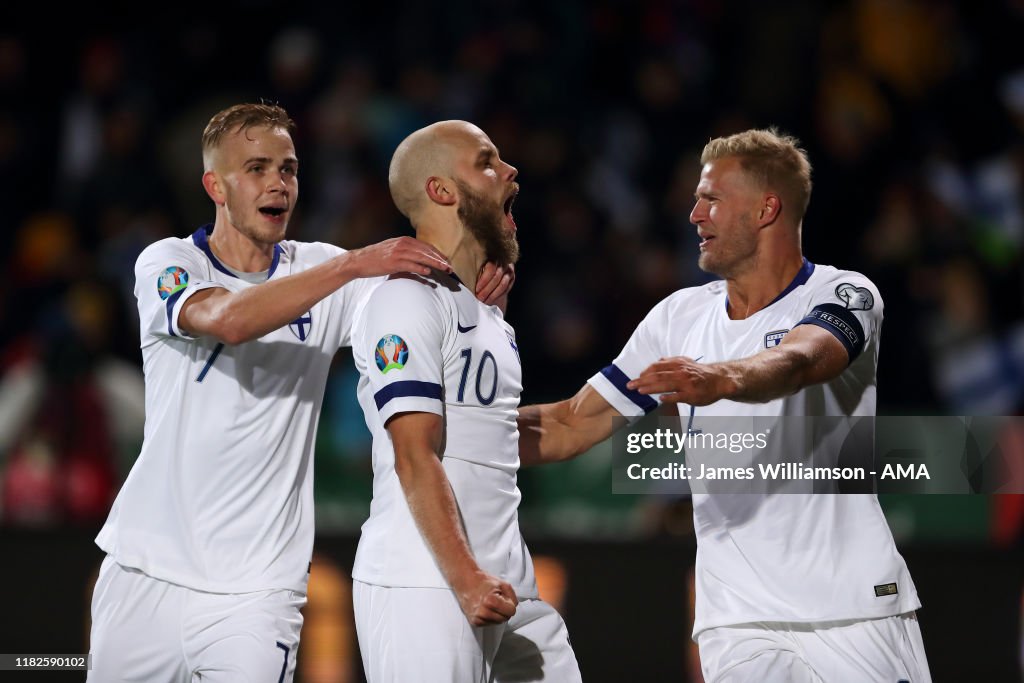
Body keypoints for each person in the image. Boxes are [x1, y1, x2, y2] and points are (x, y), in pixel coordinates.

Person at [86, 103, 511, 682]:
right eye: (256, 168)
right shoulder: (170, 262)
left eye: (287, 169)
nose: (277, 183)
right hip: (144, 573)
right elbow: (228, 318)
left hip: (257, 596)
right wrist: (355, 265)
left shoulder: (324, 270)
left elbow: (420, 308)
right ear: (215, 185)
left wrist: (482, 285)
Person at [518, 129, 932, 682]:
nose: (694, 214)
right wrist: (452, 431)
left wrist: (722, 378)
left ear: (767, 208)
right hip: (736, 623)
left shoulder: (845, 294)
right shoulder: (678, 319)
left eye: (711, 198)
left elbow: (802, 359)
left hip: (852, 608)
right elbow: (573, 421)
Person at [349, 120, 582, 682]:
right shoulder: (404, 301)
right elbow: (414, 453)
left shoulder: (491, 317)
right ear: (442, 191)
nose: (510, 172)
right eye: (486, 162)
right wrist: (464, 577)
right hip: (429, 585)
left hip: (511, 585)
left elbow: (501, 439)